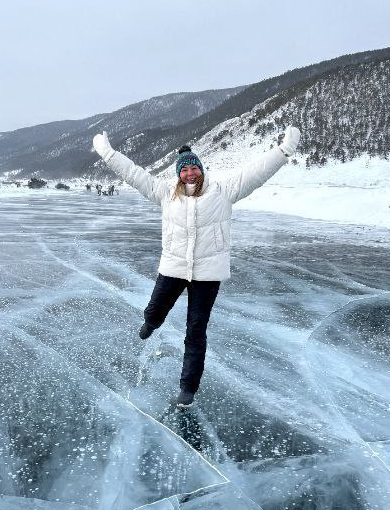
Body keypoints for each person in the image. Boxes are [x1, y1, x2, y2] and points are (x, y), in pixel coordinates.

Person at [92, 127, 301, 407]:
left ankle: (188, 388)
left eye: (194, 168)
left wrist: (284, 151)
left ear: (201, 169)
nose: (190, 173)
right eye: (185, 170)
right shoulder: (165, 193)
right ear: (178, 174)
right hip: (174, 267)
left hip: (207, 273)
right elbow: (133, 174)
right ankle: (151, 323)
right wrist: (108, 153)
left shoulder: (223, 191)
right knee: (154, 310)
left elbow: (256, 172)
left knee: (196, 329)